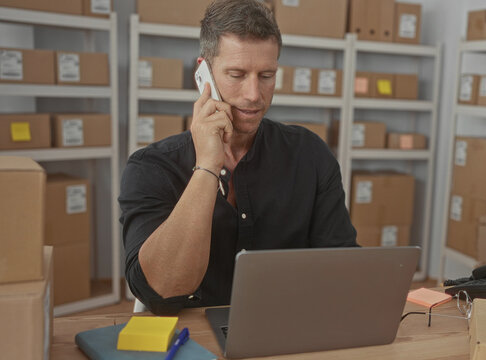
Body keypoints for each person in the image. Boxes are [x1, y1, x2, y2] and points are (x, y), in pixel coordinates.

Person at [119, 0, 357, 315]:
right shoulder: (152, 167)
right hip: (192, 337)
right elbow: (161, 291)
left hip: (284, 330)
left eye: (266, 75)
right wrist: (207, 165)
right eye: (237, 74)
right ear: (203, 75)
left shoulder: (310, 155)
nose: (254, 94)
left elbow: (343, 268)